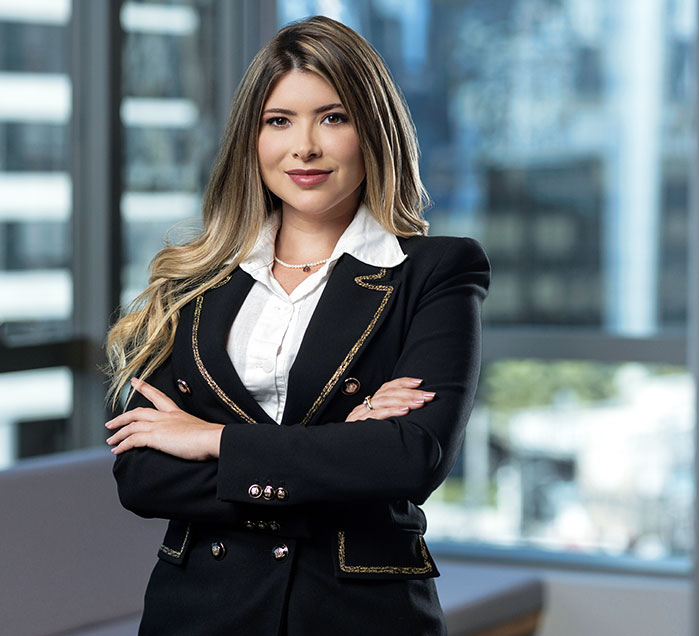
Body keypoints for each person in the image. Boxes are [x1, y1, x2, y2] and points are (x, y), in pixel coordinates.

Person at [105, 15, 489, 636]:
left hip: (357, 614)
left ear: (373, 132)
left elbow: (410, 460)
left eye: (332, 118)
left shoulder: (434, 271)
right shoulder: (193, 279)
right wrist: (340, 449)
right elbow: (144, 475)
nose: (303, 147)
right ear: (251, 140)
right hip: (199, 613)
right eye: (278, 121)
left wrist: (212, 439)